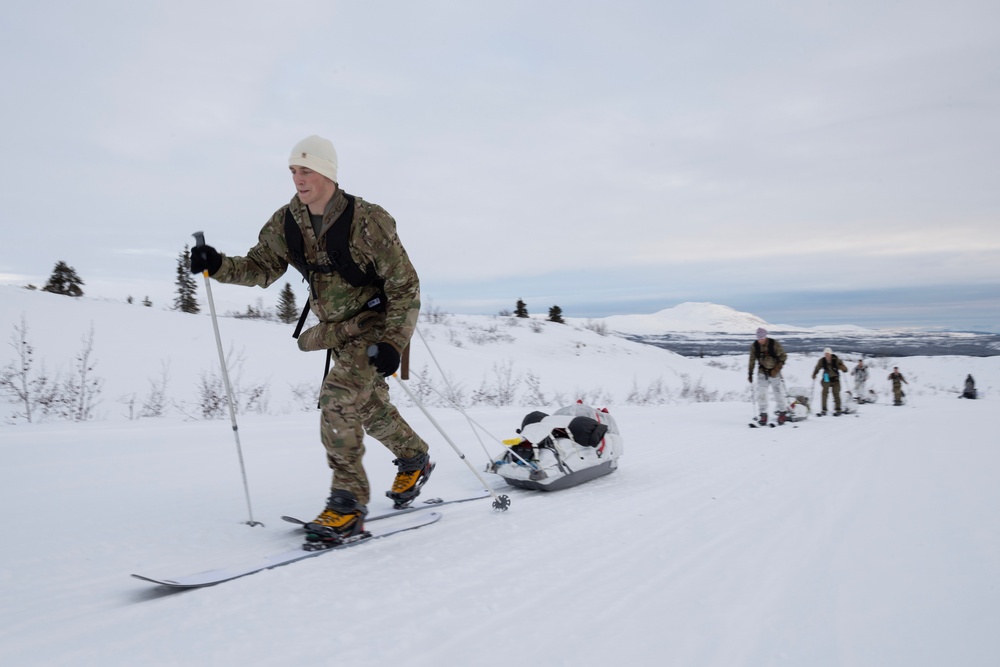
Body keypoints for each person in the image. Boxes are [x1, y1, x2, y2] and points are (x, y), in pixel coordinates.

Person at [189, 135, 433, 545]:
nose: (299, 179)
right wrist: (218, 265)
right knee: (368, 406)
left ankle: (347, 505)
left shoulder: (369, 220)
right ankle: (414, 457)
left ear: (328, 173)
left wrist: (394, 342)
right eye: (294, 171)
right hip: (337, 331)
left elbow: (405, 287)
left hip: (375, 325)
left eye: (307, 170)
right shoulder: (287, 221)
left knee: (338, 397)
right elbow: (261, 267)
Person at [747, 328, 789, 425]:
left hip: (774, 371)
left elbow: (783, 356)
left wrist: (777, 368)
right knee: (762, 393)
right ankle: (763, 414)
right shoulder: (755, 346)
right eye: (758, 338)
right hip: (762, 372)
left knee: (778, 393)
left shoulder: (773, 344)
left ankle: (782, 412)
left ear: (765, 336)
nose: (760, 340)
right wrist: (750, 373)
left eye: (762, 338)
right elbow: (752, 360)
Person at [811, 347, 848, 415]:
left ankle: (838, 409)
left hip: (835, 378)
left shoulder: (836, 360)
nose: (826, 356)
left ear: (830, 354)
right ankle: (824, 409)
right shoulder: (822, 361)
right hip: (826, 377)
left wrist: (843, 368)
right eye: (825, 354)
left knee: (836, 393)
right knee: (824, 393)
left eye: (828, 354)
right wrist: (814, 375)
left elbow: (845, 369)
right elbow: (817, 368)